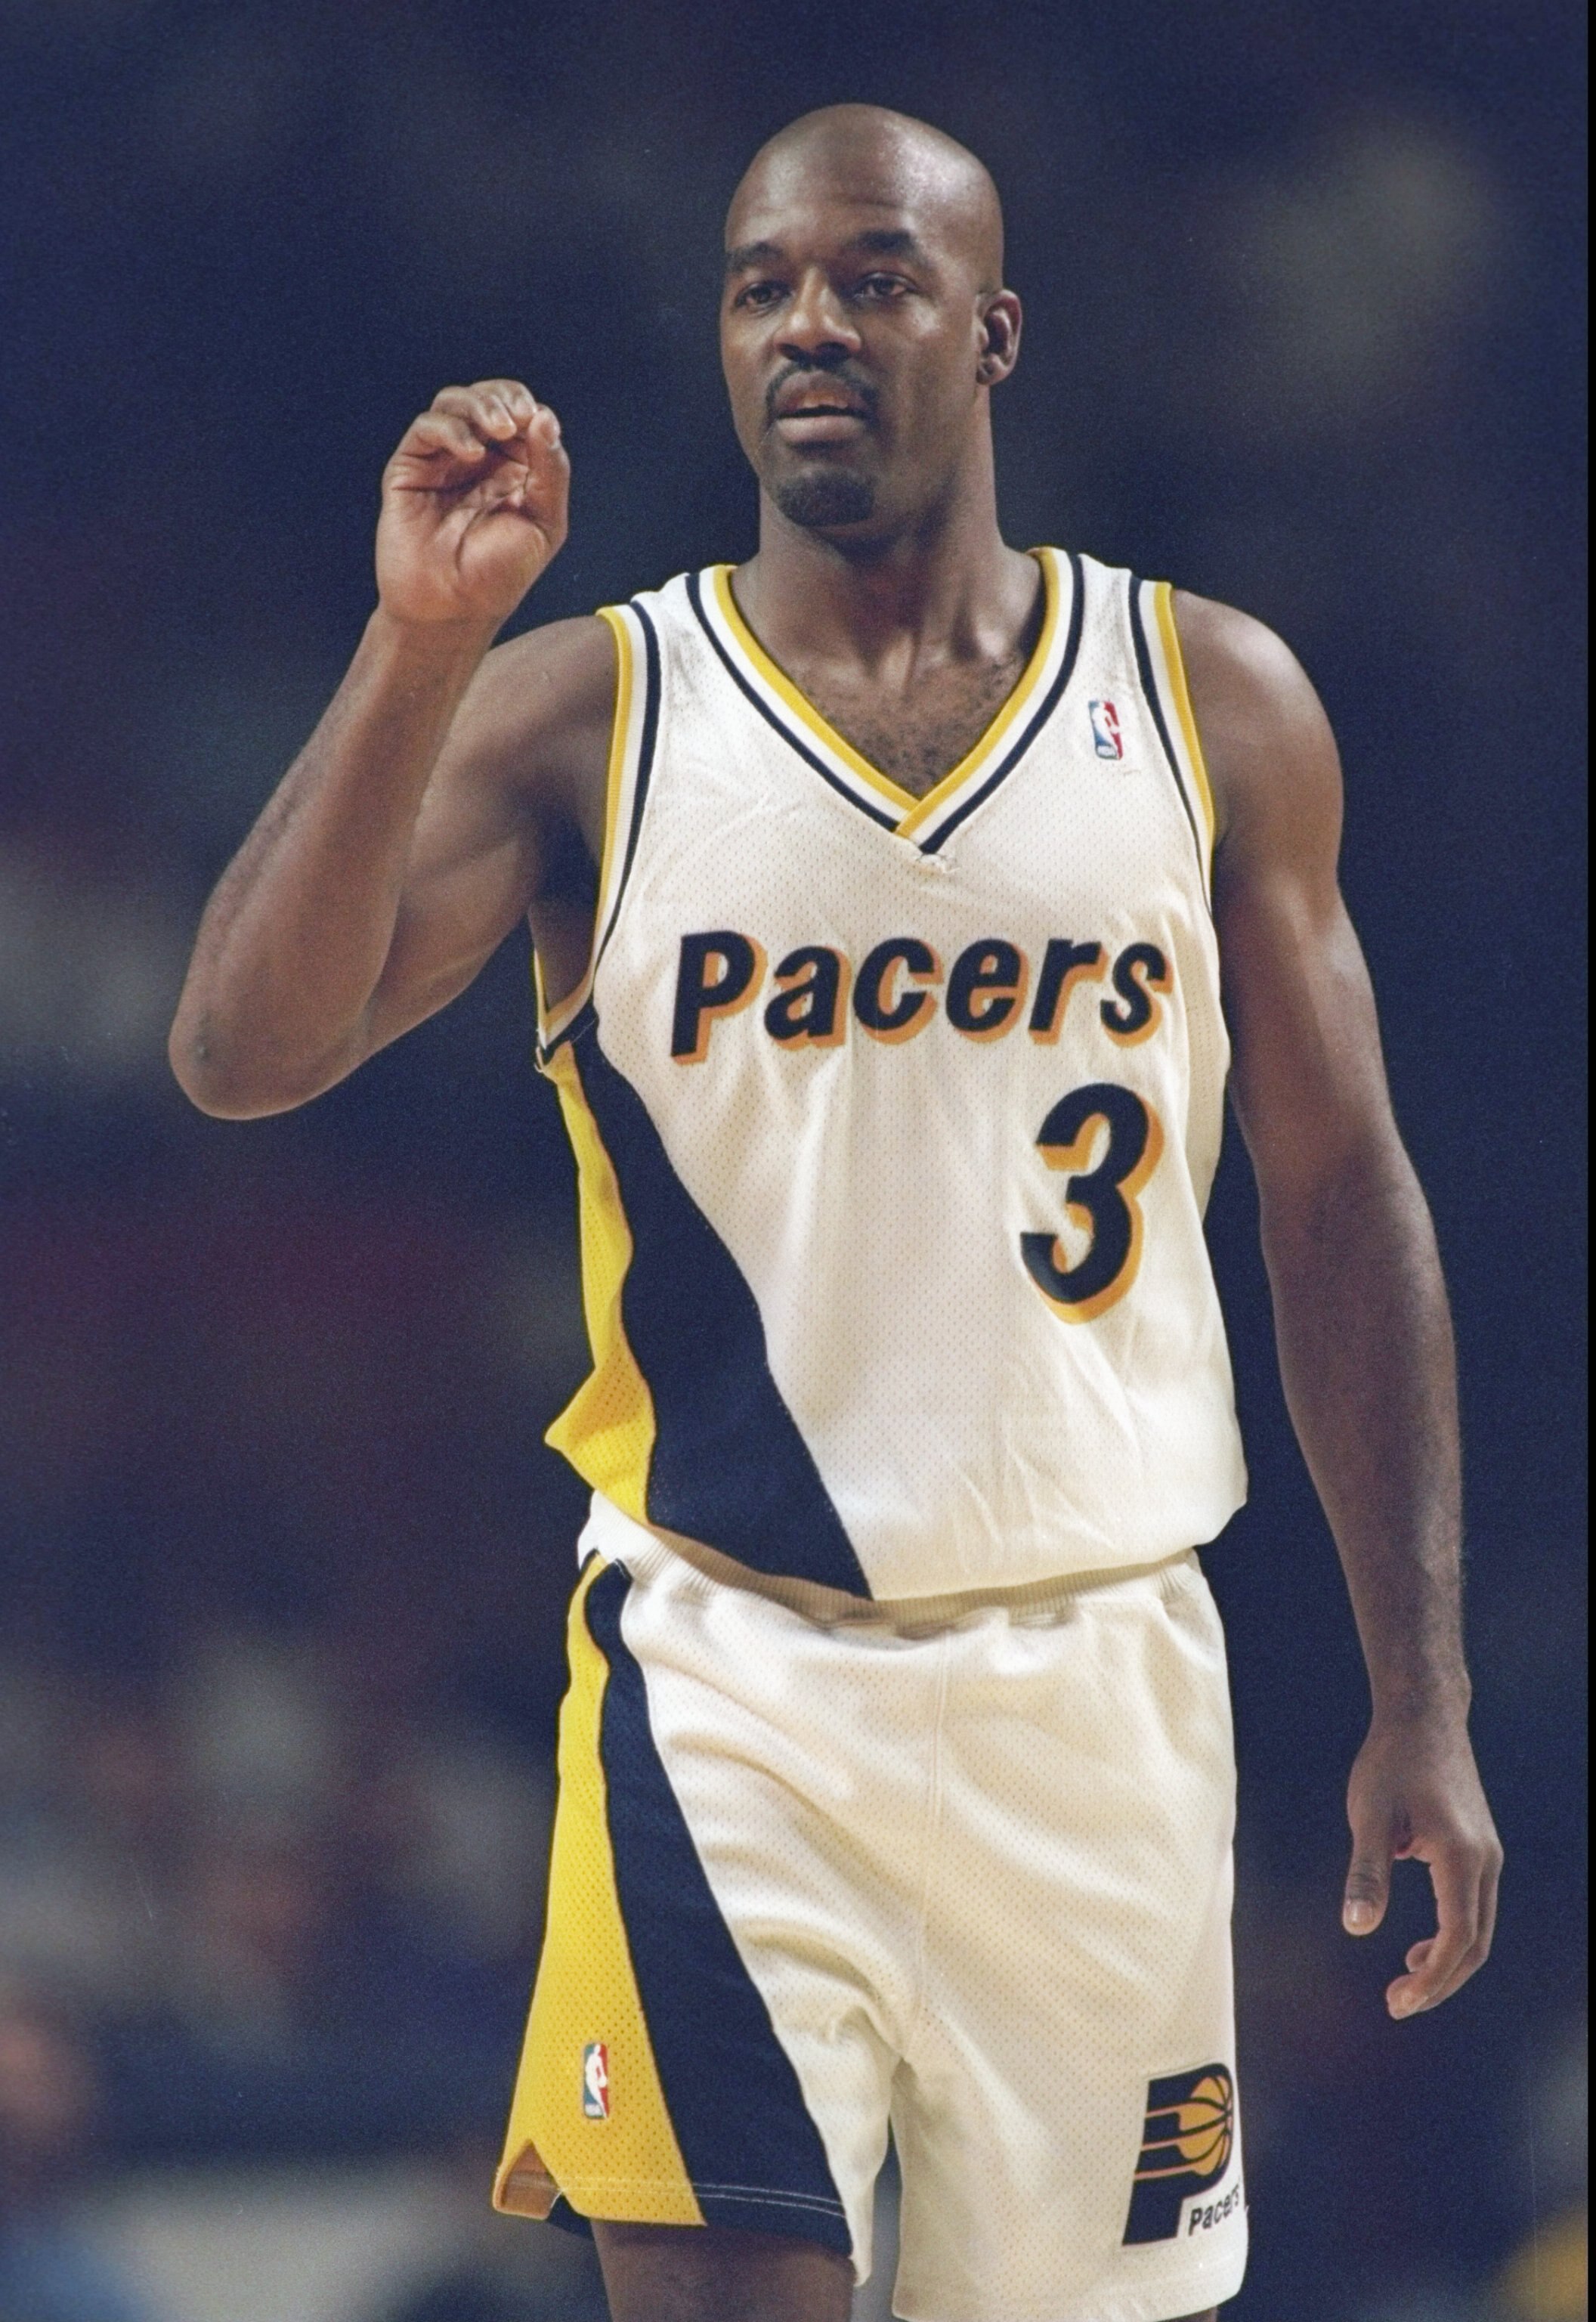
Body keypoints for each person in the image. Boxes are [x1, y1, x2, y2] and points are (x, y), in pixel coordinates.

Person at [169, 102, 1502, 2322]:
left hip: (1102, 1676)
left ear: (990, 334)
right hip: (728, 1680)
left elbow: (1344, 1194)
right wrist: (414, 649)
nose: (810, 323)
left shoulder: (1209, 701)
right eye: (763, 284)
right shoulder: (593, 708)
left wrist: (1419, 1688)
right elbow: (240, 1051)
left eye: (872, 278)